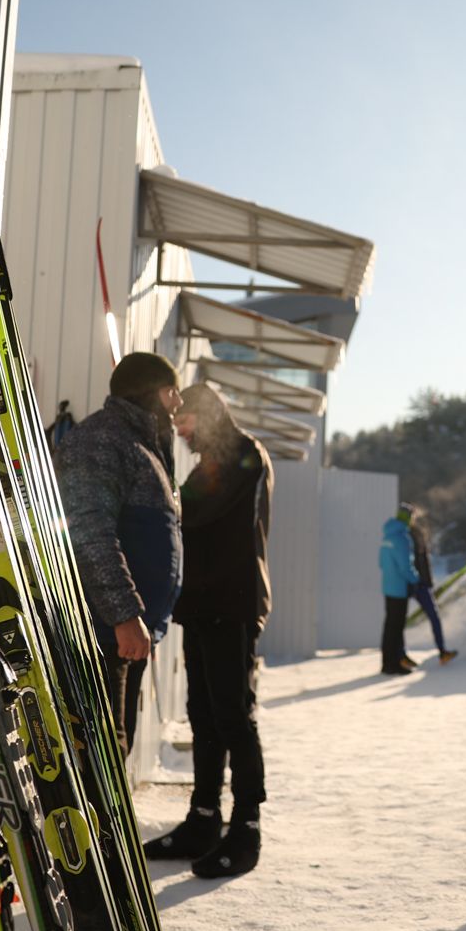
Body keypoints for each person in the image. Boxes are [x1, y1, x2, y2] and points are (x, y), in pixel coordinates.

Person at [143, 384, 273, 878]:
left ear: (208, 415)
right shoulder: (213, 458)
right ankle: (203, 817)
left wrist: (157, 479)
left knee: (233, 715)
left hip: (232, 604)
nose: (179, 428)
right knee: (203, 714)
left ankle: (246, 827)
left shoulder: (242, 454)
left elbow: (191, 509)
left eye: (184, 419)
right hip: (203, 605)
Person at [53, 352, 184, 759]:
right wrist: (124, 615)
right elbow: (89, 531)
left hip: (128, 633)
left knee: (115, 746)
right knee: (101, 753)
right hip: (104, 630)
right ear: (151, 394)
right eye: (171, 392)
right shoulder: (101, 441)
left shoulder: (142, 445)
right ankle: (96, 826)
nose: (178, 402)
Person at [404, 504, 458, 664]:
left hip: (417, 583)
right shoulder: (407, 534)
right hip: (414, 583)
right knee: (430, 617)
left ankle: (442, 652)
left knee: (433, 617)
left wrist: (428, 582)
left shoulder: (415, 533)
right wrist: (421, 581)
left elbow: (423, 560)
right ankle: (402, 655)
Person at [378, 504, 419, 674]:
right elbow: (405, 567)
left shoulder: (387, 536)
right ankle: (393, 665)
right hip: (399, 590)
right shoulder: (402, 538)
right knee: (396, 628)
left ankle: (387, 662)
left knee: (389, 627)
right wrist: (416, 579)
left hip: (387, 587)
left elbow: (380, 563)